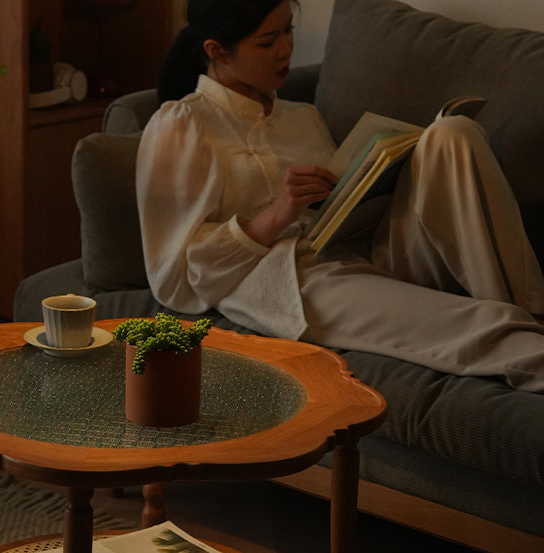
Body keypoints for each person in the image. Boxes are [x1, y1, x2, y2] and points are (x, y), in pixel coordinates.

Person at [136, 0, 544, 391]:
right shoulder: (182, 124)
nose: (285, 49)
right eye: (267, 42)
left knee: (451, 134)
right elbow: (176, 277)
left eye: (288, 31)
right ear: (217, 52)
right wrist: (273, 217)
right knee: (473, 324)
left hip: (364, 248)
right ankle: (530, 343)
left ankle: (529, 308)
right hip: (292, 278)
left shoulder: (303, 116)